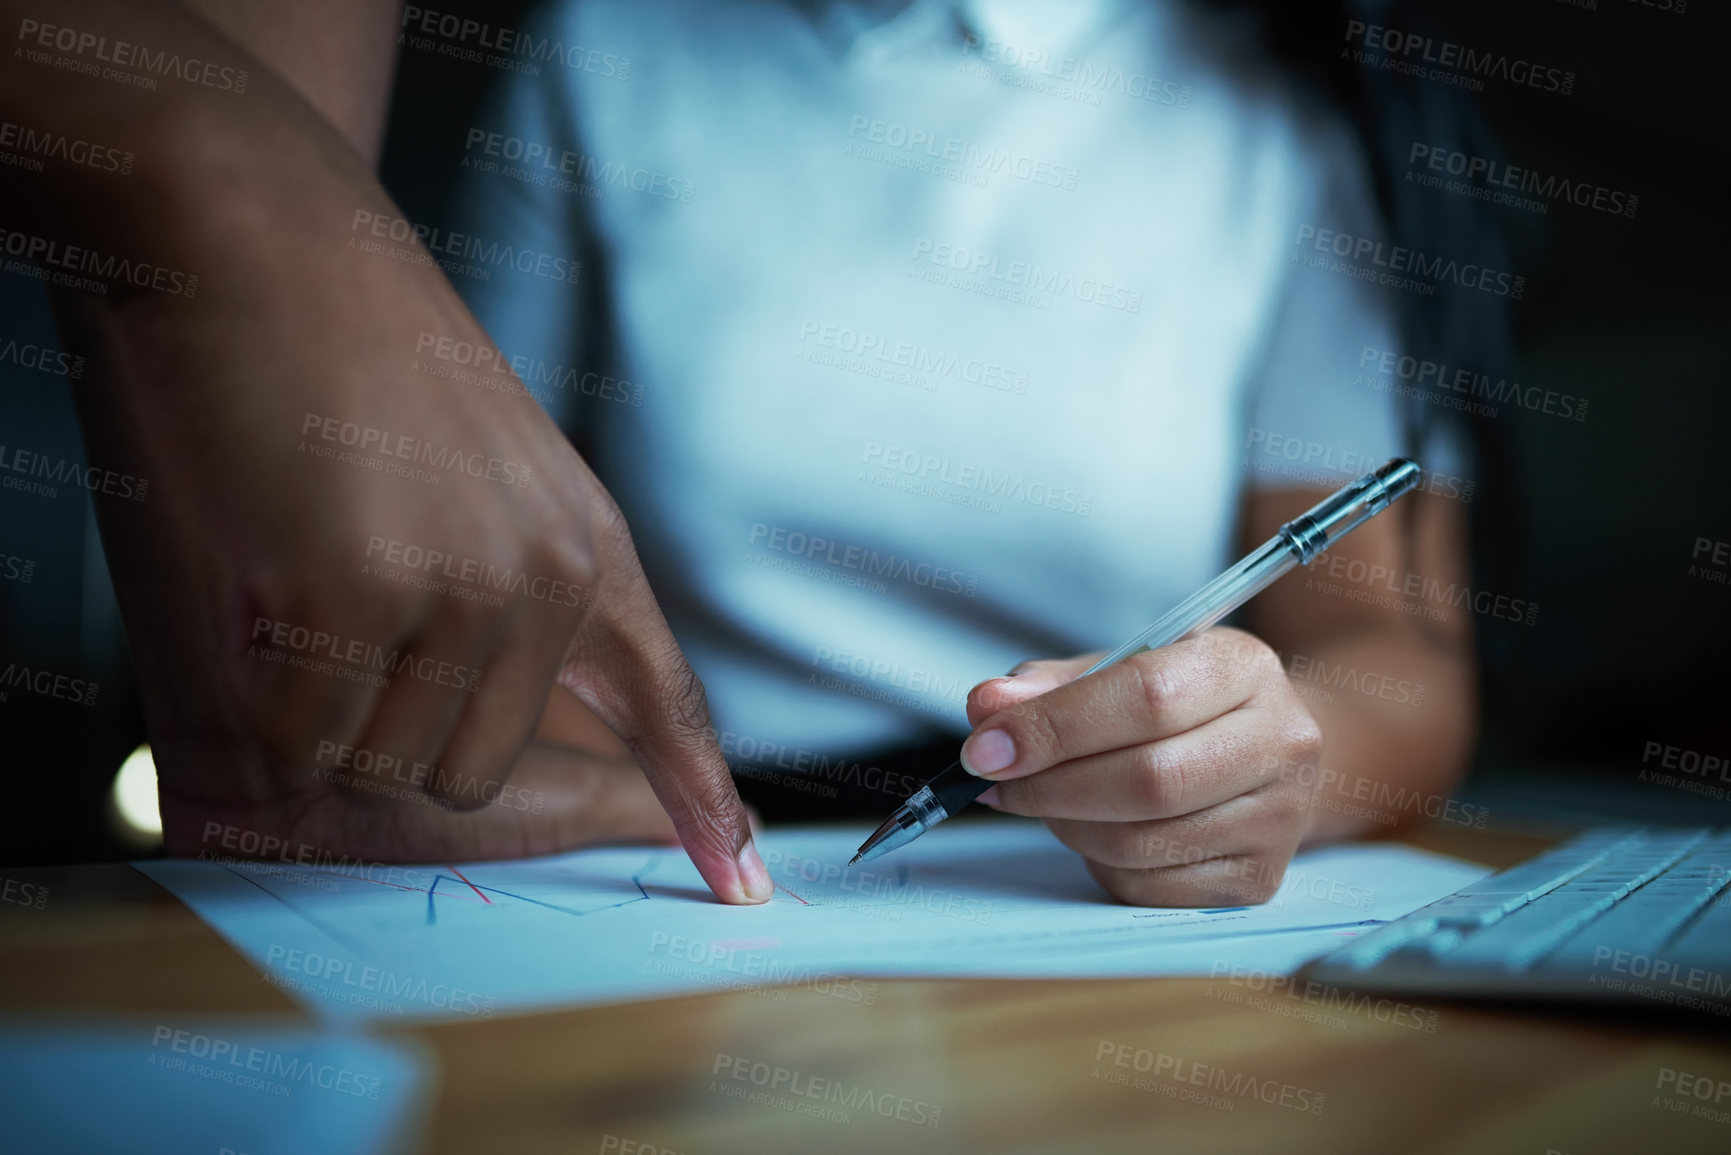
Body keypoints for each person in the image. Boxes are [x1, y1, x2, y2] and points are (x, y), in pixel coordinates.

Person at [1, 0, 1476, 907]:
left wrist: (1259, 768)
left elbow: (1391, 657)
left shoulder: (1284, 122)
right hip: (648, 836)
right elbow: (483, 538)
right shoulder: (609, 44)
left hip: (1085, 893)